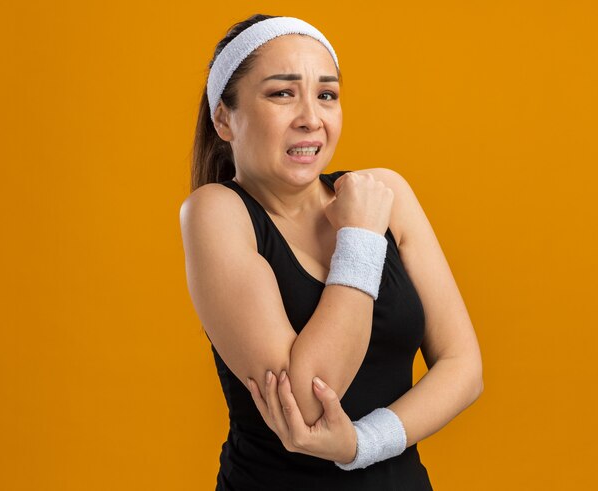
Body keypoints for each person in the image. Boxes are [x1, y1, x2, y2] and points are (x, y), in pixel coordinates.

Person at [179, 13, 483, 491]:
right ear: (224, 117)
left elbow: (463, 366)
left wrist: (361, 444)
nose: (311, 118)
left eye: (326, 95)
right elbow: (308, 404)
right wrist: (360, 240)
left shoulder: (385, 193)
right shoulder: (216, 212)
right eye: (282, 93)